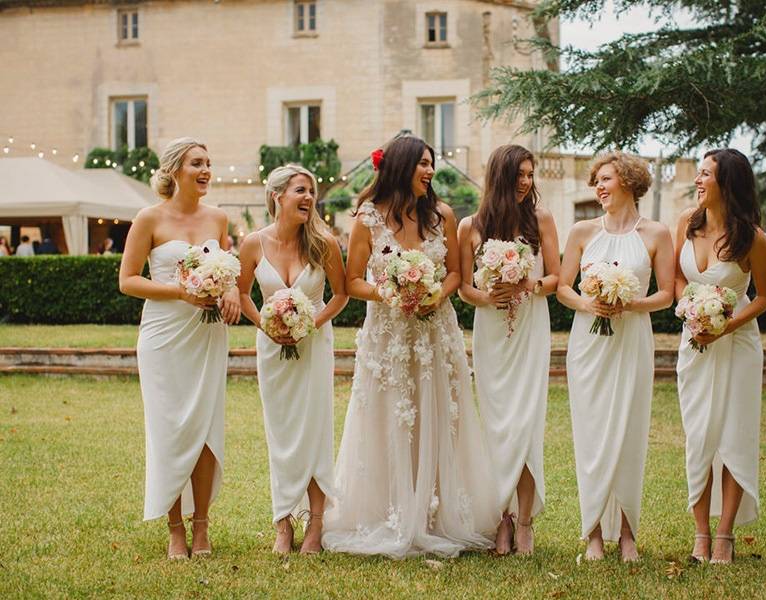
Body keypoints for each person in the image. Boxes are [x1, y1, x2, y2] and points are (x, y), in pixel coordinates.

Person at [322, 135, 500, 558]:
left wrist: (435, 295)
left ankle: (437, 513)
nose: (430, 171)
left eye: (432, 163)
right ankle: (391, 510)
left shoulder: (441, 215)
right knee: (390, 416)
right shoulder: (367, 219)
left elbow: (457, 274)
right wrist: (392, 293)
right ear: (403, 167)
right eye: (423, 163)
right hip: (389, 338)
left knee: (438, 413)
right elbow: (353, 282)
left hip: (436, 332)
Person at [119, 137, 241, 560]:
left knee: (206, 427)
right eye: (197, 163)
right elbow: (128, 280)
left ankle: (202, 527)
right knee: (169, 428)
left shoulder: (219, 218)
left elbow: (228, 272)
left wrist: (231, 295)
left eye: (208, 163)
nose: (206, 170)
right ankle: (175, 531)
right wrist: (180, 292)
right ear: (174, 170)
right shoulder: (148, 218)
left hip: (207, 335)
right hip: (164, 336)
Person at [557, 151, 675, 562]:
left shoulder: (657, 233)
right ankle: (592, 532)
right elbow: (563, 288)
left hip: (632, 342)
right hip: (588, 343)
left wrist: (630, 304)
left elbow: (666, 294)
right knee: (590, 435)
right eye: (596, 182)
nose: (599, 188)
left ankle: (627, 534)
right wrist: (589, 305)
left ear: (627, 181)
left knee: (629, 432)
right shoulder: (582, 231)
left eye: (605, 179)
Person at [237, 164, 348, 554]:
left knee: (316, 430)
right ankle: (283, 521)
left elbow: (341, 294)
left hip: (314, 346)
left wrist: (310, 324)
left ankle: (315, 526)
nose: (308, 198)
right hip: (272, 351)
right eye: (301, 190)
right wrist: (266, 326)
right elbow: (243, 294)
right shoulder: (253, 243)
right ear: (277, 196)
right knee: (281, 434)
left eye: (311, 192)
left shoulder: (324, 243)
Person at [457, 145, 560, 555]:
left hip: (531, 328)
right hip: (491, 331)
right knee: (496, 424)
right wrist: (487, 297)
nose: (526, 182)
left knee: (526, 424)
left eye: (530, 175)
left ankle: (526, 521)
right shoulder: (470, 226)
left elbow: (557, 277)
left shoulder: (541, 219)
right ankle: (500, 517)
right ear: (500, 176)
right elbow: (465, 288)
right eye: (519, 174)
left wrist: (528, 285)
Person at [675, 148, 766, 564]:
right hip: (694, 345)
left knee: (732, 437)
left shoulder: (753, 238)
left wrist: (724, 326)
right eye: (698, 173)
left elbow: (765, 297)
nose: (698, 180)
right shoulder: (685, 223)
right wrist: (691, 310)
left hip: (737, 347)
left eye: (706, 174)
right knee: (699, 436)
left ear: (727, 182)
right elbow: (677, 277)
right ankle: (699, 532)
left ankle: (724, 535)